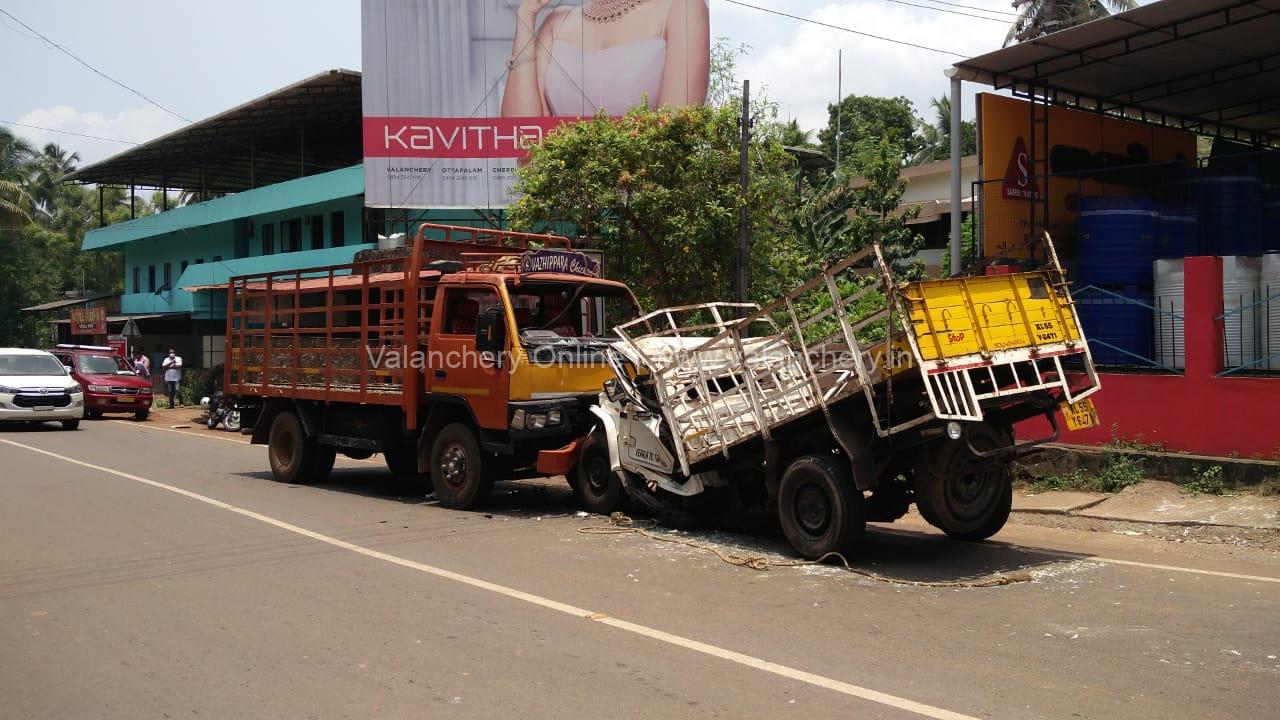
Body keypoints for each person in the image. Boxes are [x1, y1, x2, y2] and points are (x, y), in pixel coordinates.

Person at [501, 0, 709, 118]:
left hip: (641, 192)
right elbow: (521, 138)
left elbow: (673, 135)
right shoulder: (557, 22)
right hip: (561, 190)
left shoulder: (682, 8)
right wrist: (526, 14)